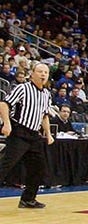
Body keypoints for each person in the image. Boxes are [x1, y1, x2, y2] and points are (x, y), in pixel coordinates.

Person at [0, 62, 54, 208]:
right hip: (19, 131)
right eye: (40, 71)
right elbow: (4, 104)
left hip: (34, 134)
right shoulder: (22, 88)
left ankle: (28, 199)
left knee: (39, 167)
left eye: (46, 72)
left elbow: (44, 116)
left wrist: (48, 134)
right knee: (5, 165)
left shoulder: (46, 94)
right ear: (32, 74)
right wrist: (6, 123)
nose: (43, 74)